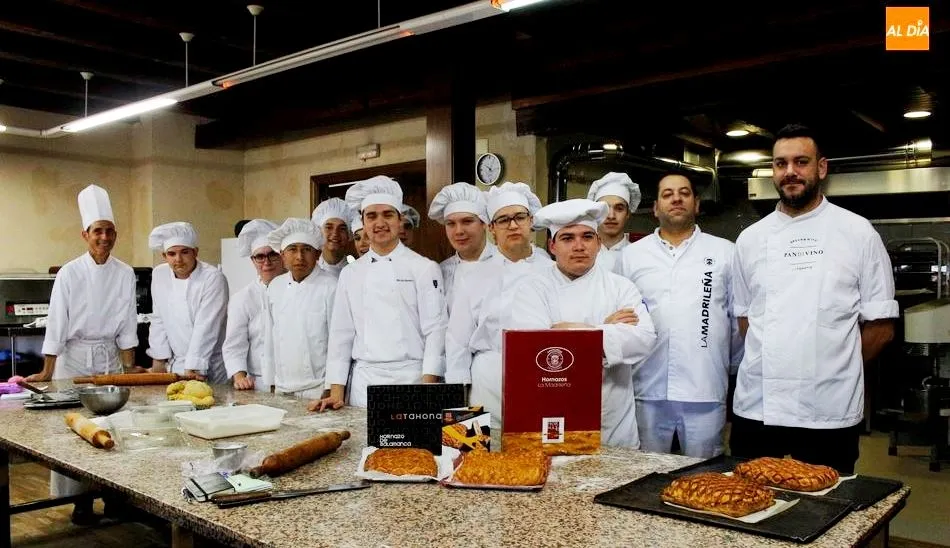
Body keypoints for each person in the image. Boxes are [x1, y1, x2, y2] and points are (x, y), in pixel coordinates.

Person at [730, 124, 898, 474]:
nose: (790, 172)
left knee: (829, 500)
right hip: (759, 406)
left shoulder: (858, 233)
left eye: (801, 162)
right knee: (748, 498)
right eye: (780, 163)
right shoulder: (750, 239)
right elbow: (745, 320)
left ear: (821, 168)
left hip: (829, 408)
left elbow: (881, 327)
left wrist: (834, 369)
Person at [507, 199, 657, 447]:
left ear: (598, 243)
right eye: (567, 238)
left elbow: (644, 340)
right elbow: (534, 352)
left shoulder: (621, 287)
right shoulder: (532, 290)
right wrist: (607, 331)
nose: (579, 246)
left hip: (612, 420)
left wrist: (569, 331)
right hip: (554, 415)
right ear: (552, 246)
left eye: (587, 237)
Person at [29, 184, 138, 524]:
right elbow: (57, 322)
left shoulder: (125, 272)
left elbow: (128, 322)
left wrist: (128, 367)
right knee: (75, 430)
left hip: (108, 358)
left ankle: (115, 497)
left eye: (109, 231)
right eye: (97, 231)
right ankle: (80, 502)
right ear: (85, 234)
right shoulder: (70, 272)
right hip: (74, 359)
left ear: (115, 234)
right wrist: (47, 371)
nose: (104, 238)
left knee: (114, 427)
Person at [620, 174, 742, 458]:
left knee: (704, 473)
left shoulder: (725, 252)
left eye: (684, 193)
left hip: (705, 386)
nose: (676, 199)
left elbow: (737, 321)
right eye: (667, 194)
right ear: (655, 208)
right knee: (646, 471)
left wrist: (727, 365)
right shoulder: (631, 256)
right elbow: (623, 319)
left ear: (696, 204)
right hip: (647, 387)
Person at [314, 175, 447, 410]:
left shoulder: (424, 268)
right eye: (371, 216)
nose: (380, 223)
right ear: (363, 222)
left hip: (411, 380)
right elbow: (341, 335)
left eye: (387, 214)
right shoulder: (351, 273)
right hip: (364, 383)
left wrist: (427, 389)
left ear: (400, 219)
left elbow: (435, 332)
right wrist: (336, 392)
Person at [445, 182, 550, 427]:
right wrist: (458, 403)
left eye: (519, 217)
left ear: (531, 221)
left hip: (542, 378)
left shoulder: (552, 270)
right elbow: (457, 343)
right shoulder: (474, 277)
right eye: (503, 220)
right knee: (477, 448)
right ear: (491, 227)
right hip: (487, 382)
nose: (512, 225)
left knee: (537, 445)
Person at [147, 222, 229, 384]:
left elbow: (207, 326)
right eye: (171, 254)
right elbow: (158, 319)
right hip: (175, 365)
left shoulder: (212, 278)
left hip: (208, 364)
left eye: (184, 252)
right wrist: (158, 360)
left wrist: (194, 366)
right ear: (164, 256)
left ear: (195, 252)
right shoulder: (159, 275)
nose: (178, 259)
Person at [266, 218, 337, 399]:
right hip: (282, 386)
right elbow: (270, 338)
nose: (299, 257)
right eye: (292, 249)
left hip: (318, 388)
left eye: (306, 249)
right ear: (282, 255)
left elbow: (337, 342)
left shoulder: (331, 286)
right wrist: (271, 382)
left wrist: (331, 387)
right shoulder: (275, 286)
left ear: (318, 254)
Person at [222, 219, 285, 391]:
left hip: (292, 381)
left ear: (282, 255)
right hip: (258, 384)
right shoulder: (242, 298)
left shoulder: (296, 289)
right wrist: (240, 377)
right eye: (260, 257)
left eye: (272, 254)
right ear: (252, 260)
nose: (267, 262)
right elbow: (234, 345)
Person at [427, 182, 495, 311]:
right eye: (451, 223)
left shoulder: (507, 264)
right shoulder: (440, 273)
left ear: (484, 223)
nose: (459, 231)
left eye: (467, 221)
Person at [587, 172, 641, 273]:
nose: (611, 216)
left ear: (628, 214)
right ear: (595, 212)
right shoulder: (581, 253)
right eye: (604, 208)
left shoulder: (639, 255)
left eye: (619, 208)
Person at [312, 197, 352, 278]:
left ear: (349, 235)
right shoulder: (308, 272)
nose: (335, 233)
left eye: (342, 228)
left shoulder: (357, 273)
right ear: (319, 232)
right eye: (329, 227)